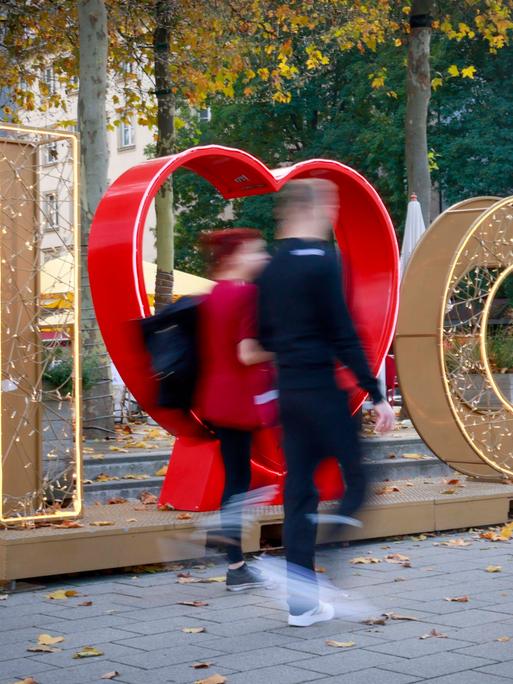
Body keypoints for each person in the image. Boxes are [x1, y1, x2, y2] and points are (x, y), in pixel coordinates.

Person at [258, 179, 396, 626]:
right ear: (314, 207)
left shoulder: (271, 268)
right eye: (332, 205)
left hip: (289, 396)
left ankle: (303, 603)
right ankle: (330, 567)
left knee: (300, 494)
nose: (334, 213)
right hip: (322, 394)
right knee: (358, 482)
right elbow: (342, 333)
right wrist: (375, 395)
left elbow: (262, 338)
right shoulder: (325, 261)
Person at [194, 228, 275, 592]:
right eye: (256, 250)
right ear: (236, 254)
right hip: (242, 400)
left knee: (237, 476)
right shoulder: (248, 295)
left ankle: (234, 556)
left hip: (215, 398)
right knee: (241, 481)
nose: (263, 257)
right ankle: (235, 561)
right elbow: (246, 354)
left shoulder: (212, 295)